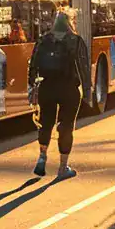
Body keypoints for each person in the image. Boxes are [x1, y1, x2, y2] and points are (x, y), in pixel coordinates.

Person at [29, 9, 92, 180]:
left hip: (47, 87)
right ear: (70, 22)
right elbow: (83, 66)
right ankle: (62, 168)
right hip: (68, 89)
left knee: (45, 122)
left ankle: (42, 156)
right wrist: (87, 91)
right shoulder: (75, 41)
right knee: (66, 127)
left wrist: (32, 87)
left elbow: (33, 65)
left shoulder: (43, 40)